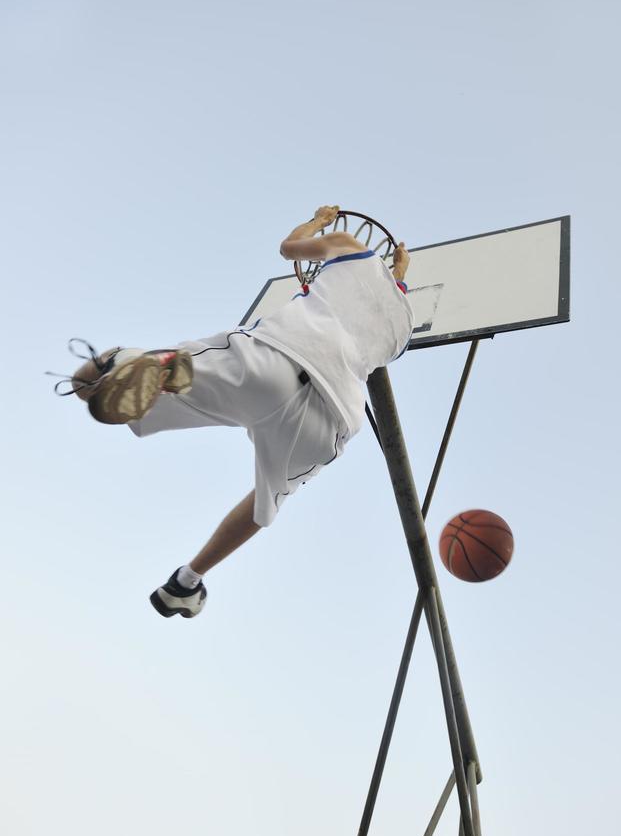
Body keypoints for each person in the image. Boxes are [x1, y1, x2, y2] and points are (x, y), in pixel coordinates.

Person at [64, 206, 412, 618]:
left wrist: (318, 223)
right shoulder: (403, 325)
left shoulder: (351, 248)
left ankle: (123, 365)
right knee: (265, 505)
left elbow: (289, 249)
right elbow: (385, 298)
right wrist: (401, 274)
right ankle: (186, 582)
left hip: (279, 354)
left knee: (102, 380)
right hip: (332, 420)